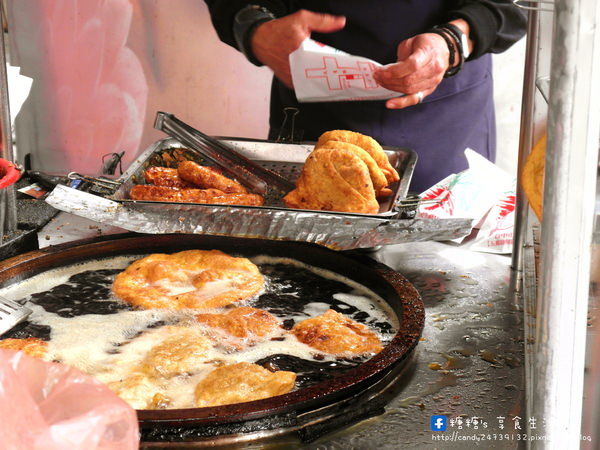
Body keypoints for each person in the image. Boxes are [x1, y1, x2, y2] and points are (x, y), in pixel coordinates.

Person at [203, 2, 527, 192]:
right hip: (313, 100)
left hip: (444, 115)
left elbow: (507, 7)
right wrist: (252, 27)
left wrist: (455, 39)